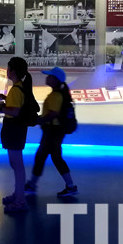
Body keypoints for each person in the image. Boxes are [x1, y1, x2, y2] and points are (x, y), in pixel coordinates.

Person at [25, 67, 78, 197]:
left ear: (55, 80)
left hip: (52, 131)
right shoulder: (58, 94)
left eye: (50, 76)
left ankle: (33, 185)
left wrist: (40, 120)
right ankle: (69, 186)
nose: (47, 77)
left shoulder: (55, 95)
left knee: (44, 157)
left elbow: (53, 113)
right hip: (55, 131)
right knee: (51, 157)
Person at [0, 57, 33, 213]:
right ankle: (18, 194)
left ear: (13, 71)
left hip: (14, 129)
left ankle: (20, 201)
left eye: (8, 68)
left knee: (17, 165)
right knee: (15, 164)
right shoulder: (18, 88)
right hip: (16, 130)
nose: (7, 71)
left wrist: (1, 108)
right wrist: (6, 100)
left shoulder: (17, 89)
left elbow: (15, 111)